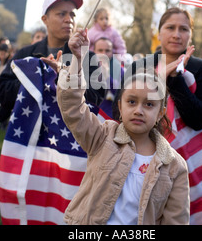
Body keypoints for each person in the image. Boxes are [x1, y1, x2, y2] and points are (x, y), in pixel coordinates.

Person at [56, 28, 190, 225]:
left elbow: (176, 221)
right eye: (132, 102)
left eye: (149, 104)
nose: (139, 110)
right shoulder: (102, 136)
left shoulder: (175, 167)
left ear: (161, 113)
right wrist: (77, 59)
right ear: (120, 105)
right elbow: (72, 108)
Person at [121, 7, 202, 225]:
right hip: (141, 157)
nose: (176, 34)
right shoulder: (140, 66)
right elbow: (121, 114)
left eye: (183, 29)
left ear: (190, 35)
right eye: (170, 27)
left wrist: (174, 79)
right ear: (159, 32)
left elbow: (199, 119)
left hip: (188, 161)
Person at [0, 0, 105, 124]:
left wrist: (62, 75)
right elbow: (3, 92)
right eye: (61, 14)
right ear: (45, 19)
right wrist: (38, 75)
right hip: (28, 134)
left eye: (72, 14)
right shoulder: (25, 54)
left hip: (68, 140)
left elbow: (96, 101)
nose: (69, 19)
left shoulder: (88, 58)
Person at [93, 37, 123, 118]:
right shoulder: (86, 69)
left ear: (112, 52)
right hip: (90, 114)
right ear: (94, 51)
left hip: (110, 116)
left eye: (107, 51)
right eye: (100, 50)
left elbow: (121, 95)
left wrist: (107, 77)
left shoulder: (120, 70)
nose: (104, 54)